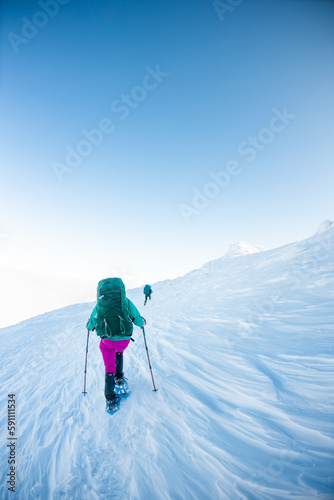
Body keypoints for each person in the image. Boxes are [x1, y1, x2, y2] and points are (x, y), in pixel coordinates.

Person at [87, 277, 145, 413]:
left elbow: (93, 320)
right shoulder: (125, 301)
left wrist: (89, 326)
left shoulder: (100, 304)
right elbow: (136, 317)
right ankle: (119, 378)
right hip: (124, 339)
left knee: (109, 367)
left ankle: (111, 399)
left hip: (107, 340)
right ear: (121, 290)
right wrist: (141, 324)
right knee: (119, 351)